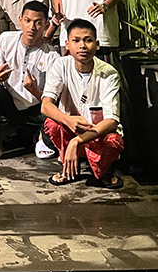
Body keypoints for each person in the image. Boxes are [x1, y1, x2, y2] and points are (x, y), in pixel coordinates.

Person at [0, 1, 60, 165]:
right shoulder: (6, 39)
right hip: (11, 103)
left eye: (38, 22)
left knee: (59, 104)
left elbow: (52, 100)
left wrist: (34, 90)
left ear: (46, 25)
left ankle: (44, 138)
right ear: (20, 20)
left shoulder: (52, 56)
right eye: (28, 21)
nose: (32, 27)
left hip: (37, 109)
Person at [41, 18, 124, 188]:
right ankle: (69, 167)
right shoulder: (61, 65)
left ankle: (103, 171)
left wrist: (77, 141)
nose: (82, 46)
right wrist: (68, 120)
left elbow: (112, 120)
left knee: (114, 141)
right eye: (76, 41)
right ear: (67, 45)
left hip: (97, 133)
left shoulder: (109, 74)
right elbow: (46, 105)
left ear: (97, 44)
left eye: (88, 40)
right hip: (70, 128)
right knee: (52, 124)